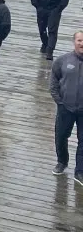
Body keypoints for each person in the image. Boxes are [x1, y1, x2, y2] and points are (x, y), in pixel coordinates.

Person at [49, 30, 83, 184]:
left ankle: (80, 171)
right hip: (65, 108)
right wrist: (59, 101)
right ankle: (62, 162)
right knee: (61, 136)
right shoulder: (62, 60)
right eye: (79, 40)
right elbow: (54, 81)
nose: (82, 44)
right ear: (74, 42)